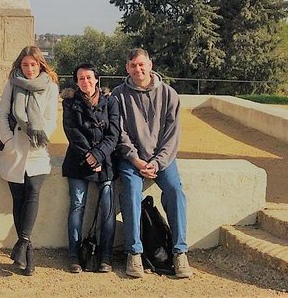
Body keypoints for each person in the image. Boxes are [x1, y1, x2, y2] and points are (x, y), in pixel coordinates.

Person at [112, 48, 193, 278]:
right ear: (127, 68)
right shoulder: (118, 95)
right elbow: (120, 133)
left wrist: (157, 163)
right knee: (130, 193)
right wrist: (136, 160)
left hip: (162, 160)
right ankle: (134, 253)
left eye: (141, 64)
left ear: (150, 64)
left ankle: (180, 252)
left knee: (176, 193)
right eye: (133, 65)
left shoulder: (169, 94)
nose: (138, 69)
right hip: (132, 159)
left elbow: (172, 136)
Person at [0, 46, 59, 276]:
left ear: (40, 64)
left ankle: (22, 242)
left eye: (33, 64)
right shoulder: (12, 84)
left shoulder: (50, 87)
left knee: (33, 191)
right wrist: (9, 140)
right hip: (15, 151)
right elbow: (2, 114)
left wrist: (39, 135)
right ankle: (27, 253)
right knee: (19, 200)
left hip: (38, 149)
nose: (29, 69)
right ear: (19, 65)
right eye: (25, 65)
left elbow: (52, 118)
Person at [61, 63, 120, 274]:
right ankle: (74, 256)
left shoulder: (111, 102)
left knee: (108, 208)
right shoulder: (70, 102)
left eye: (88, 77)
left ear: (96, 79)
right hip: (78, 161)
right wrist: (89, 156)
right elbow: (72, 131)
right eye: (81, 78)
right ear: (76, 82)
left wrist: (98, 155)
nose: (85, 82)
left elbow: (114, 133)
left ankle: (106, 256)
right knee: (77, 205)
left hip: (105, 163)